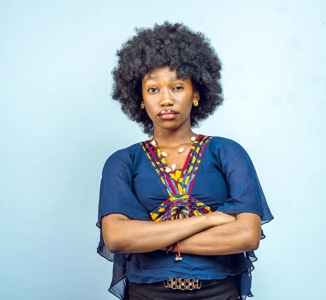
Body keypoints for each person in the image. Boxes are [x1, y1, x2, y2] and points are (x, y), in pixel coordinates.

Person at [97, 22, 273, 300]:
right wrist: (212, 219)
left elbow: (247, 236)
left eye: (177, 87)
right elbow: (117, 238)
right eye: (153, 89)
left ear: (197, 93)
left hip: (219, 293)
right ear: (140, 98)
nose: (165, 100)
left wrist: (154, 238)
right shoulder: (122, 162)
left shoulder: (227, 152)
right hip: (147, 294)